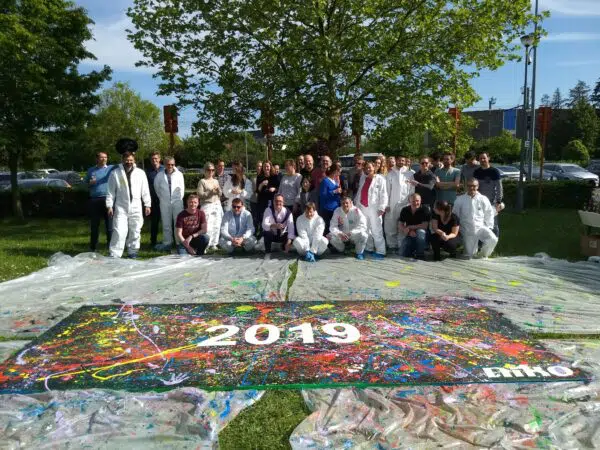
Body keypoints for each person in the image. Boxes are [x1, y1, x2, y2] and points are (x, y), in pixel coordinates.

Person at [106, 146, 151, 258]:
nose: (129, 162)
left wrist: (147, 204)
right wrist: (109, 205)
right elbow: (110, 191)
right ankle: (115, 254)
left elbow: (145, 190)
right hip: (121, 206)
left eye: (131, 160)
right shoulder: (115, 173)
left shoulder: (140, 173)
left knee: (136, 229)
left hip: (136, 206)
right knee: (119, 230)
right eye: (127, 160)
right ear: (122, 160)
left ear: (134, 160)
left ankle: (133, 251)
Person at [453, 178, 498, 259]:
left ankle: (482, 255)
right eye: (469, 186)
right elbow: (455, 216)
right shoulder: (460, 199)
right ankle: (470, 254)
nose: (471, 188)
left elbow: (489, 213)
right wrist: (458, 230)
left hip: (481, 227)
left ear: (477, 186)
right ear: (466, 186)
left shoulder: (483, 199)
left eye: (474, 186)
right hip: (467, 229)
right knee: (470, 256)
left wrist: (489, 226)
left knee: (493, 239)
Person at [355, 161, 388, 259]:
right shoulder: (363, 178)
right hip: (363, 207)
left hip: (375, 208)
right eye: (366, 168)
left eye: (370, 167)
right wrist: (356, 205)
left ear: (374, 168)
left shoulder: (380, 179)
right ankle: (368, 248)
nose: (368, 169)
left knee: (376, 230)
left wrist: (382, 207)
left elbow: (384, 194)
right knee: (365, 229)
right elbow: (359, 192)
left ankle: (381, 251)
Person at [153, 156, 185, 251]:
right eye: (168, 164)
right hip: (164, 202)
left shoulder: (179, 174)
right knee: (166, 223)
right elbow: (157, 188)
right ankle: (167, 242)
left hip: (177, 201)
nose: (170, 166)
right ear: (164, 164)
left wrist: (179, 199)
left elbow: (182, 188)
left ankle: (178, 242)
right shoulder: (159, 175)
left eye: (172, 164)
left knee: (178, 222)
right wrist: (163, 198)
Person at [84, 152, 113, 252]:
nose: (104, 159)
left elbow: (124, 163)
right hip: (95, 200)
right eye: (102, 157)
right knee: (94, 225)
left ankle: (111, 247)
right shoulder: (91, 170)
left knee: (110, 225)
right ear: (97, 159)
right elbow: (84, 184)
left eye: (106, 157)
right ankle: (93, 247)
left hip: (108, 200)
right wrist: (90, 183)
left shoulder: (111, 168)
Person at [385, 157, 414, 250]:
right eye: (399, 160)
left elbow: (412, 189)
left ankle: (402, 245)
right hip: (392, 203)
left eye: (403, 160)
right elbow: (387, 191)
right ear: (396, 161)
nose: (401, 162)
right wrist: (387, 204)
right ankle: (392, 245)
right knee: (391, 224)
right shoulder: (390, 174)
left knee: (403, 225)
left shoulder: (410, 173)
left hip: (405, 204)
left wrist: (411, 202)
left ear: (405, 162)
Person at [473, 152, 503, 237]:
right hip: (479, 202)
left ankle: (495, 240)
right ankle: (482, 241)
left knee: (493, 224)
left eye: (484, 158)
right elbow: (474, 187)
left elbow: (499, 188)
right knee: (480, 223)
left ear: (488, 158)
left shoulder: (494, 171)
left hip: (492, 202)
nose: (482, 160)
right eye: (480, 158)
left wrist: (498, 201)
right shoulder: (476, 172)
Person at [197, 162, 223, 249]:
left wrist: (219, 191)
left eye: (212, 170)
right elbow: (200, 195)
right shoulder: (202, 181)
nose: (211, 171)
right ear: (205, 171)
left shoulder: (216, 181)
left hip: (217, 204)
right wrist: (210, 192)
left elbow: (220, 194)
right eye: (209, 170)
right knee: (207, 225)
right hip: (207, 205)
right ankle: (206, 243)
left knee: (217, 224)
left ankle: (214, 243)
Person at [398, 193, 430, 259]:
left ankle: (420, 254)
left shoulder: (425, 209)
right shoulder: (404, 210)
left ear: (420, 201)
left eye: (417, 201)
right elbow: (400, 224)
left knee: (420, 232)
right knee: (402, 253)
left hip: (423, 234)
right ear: (409, 201)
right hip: (410, 233)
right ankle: (413, 250)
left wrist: (410, 227)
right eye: (413, 201)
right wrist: (408, 231)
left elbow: (424, 226)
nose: (415, 203)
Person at [256, 160, 280, 228]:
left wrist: (274, 189)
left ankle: (273, 230)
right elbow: (257, 191)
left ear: (270, 167)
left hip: (272, 200)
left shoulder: (275, 176)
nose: (266, 168)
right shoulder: (259, 177)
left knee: (271, 217)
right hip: (262, 201)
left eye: (267, 166)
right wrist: (261, 184)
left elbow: (279, 188)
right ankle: (263, 231)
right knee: (263, 218)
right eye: (264, 166)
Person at [145, 152, 163, 247]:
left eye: (156, 158)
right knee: (154, 222)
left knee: (168, 221)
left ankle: (170, 240)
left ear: (159, 159)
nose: (154, 160)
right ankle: (153, 241)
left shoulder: (165, 169)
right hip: (153, 200)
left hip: (164, 199)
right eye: (152, 159)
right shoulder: (147, 171)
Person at [319, 164, 342, 234]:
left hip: (335, 208)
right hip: (327, 209)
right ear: (335, 171)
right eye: (339, 172)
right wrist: (334, 191)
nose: (340, 174)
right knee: (328, 228)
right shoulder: (325, 181)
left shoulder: (335, 181)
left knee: (335, 227)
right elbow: (322, 195)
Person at [250, 160, 263, 231]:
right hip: (253, 201)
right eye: (257, 166)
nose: (259, 168)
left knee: (261, 218)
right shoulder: (253, 177)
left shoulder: (265, 177)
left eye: (260, 166)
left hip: (262, 201)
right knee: (254, 218)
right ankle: (254, 232)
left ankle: (261, 232)